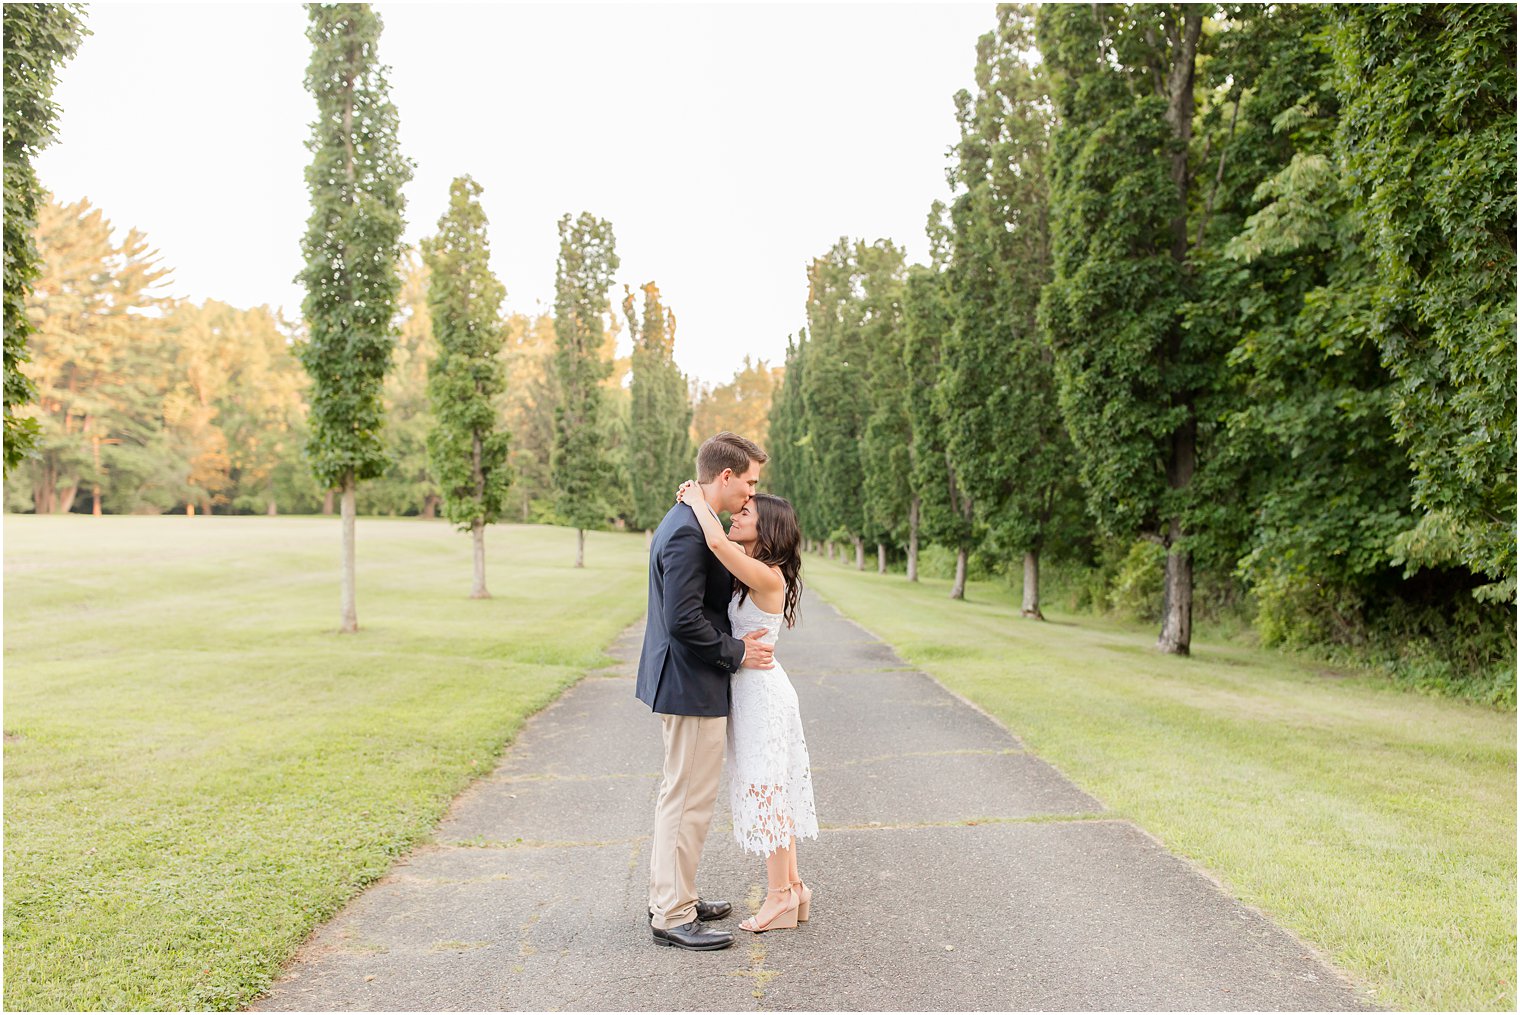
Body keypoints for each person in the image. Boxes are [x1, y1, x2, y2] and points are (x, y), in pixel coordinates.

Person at [636, 432, 774, 952]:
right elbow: (684, 621)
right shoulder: (689, 533)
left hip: (691, 682)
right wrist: (738, 652)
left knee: (685, 795)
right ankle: (671, 914)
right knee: (687, 799)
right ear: (726, 477)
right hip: (689, 684)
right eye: (750, 482)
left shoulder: (699, 522)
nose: (751, 494)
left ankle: (677, 896)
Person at [676, 481, 817, 934]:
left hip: (763, 696)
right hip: (757, 689)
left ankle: (777, 898)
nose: (738, 513)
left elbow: (715, 541)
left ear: (767, 528)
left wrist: (699, 501)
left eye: (747, 511)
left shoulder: (767, 574)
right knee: (774, 789)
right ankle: (793, 888)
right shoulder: (757, 569)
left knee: (768, 791)